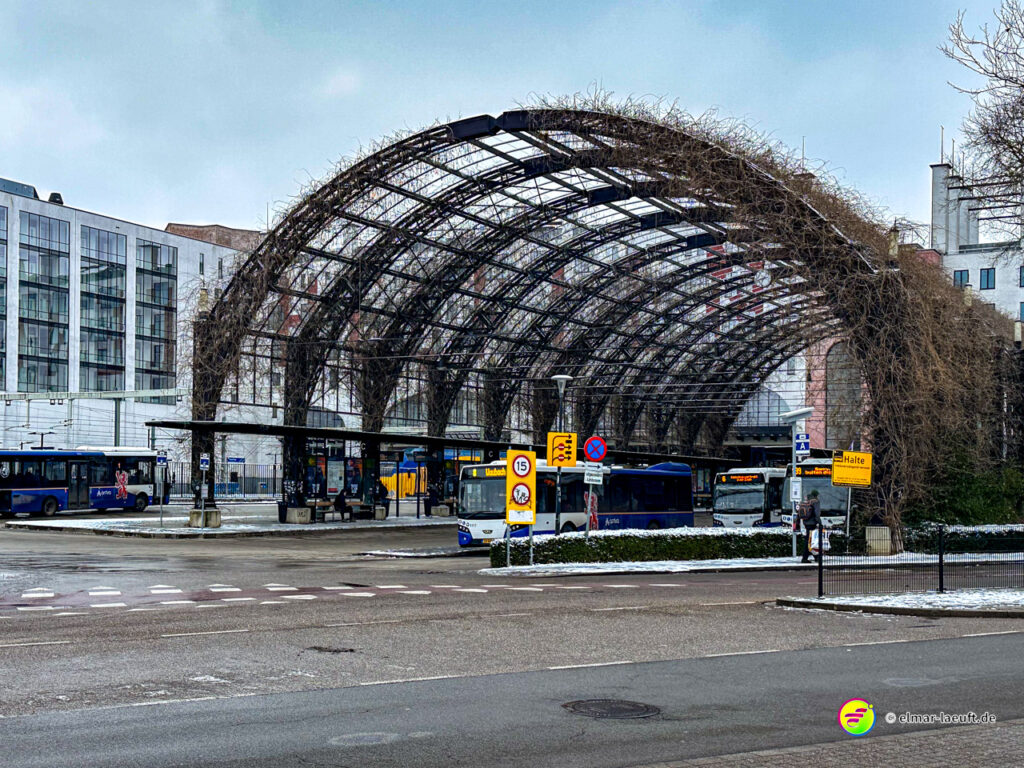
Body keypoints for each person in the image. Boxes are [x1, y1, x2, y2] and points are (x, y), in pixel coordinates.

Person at [800, 489, 822, 563]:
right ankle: (805, 558)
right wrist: (820, 523)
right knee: (811, 541)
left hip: (806, 523)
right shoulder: (815, 502)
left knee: (810, 540)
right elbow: (817, 513)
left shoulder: (807, 501)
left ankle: (816, 557)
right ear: (816, 495)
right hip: (812, 524)